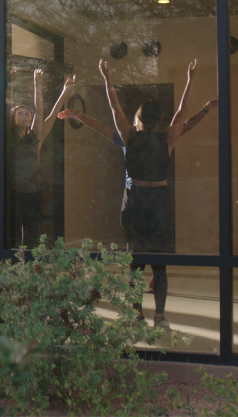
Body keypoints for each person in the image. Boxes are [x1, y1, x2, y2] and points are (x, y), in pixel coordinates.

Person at [59, 58, 215, 329]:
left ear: (139, 118)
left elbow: (114, 109)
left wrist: (107, 77)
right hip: (147, 201)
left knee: (146, 263)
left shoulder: (135, 135)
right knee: (147, 263)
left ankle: (148, 315)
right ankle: (150, 316)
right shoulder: (155, 137)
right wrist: (192, 83)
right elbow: (183, 114)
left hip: (142, 201)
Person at [0, 68, 75, 248]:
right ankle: (10, 268)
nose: (25, 115)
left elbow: (48, 114)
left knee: (31, 237)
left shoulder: (36, 137)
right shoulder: (8, 136)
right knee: (10, 236)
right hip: (12, 193)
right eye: (20, 113)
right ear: (12, 118)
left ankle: (28, 269)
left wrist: (56, 88)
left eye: (27, 113)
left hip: (33, 194)